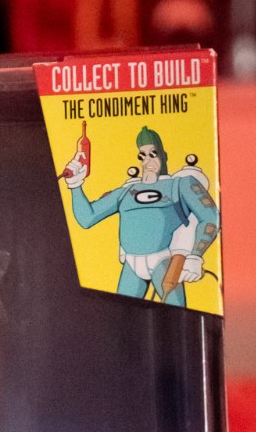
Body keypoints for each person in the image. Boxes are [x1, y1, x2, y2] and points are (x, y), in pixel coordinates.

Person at [64, 126, 220, 305]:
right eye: (142, 155)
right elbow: (87, 218)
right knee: (121, 314)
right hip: (131, 264)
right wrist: (75, 184)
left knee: (178, 313)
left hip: (164, 262)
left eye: (153, 154)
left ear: (163, 156)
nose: (147, 161)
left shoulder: (180, 185)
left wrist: (195, 256)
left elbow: (211, 217)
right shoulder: (126, 191)